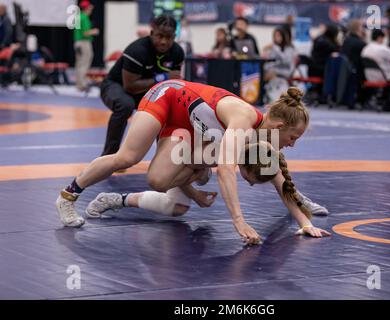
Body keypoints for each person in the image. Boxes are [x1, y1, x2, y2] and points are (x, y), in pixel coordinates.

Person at [55, 80, 329, 244]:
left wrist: (303, 221)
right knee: (128, 157)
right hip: (168, 97)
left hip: (189, 131)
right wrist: (239, 222)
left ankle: (192, 177)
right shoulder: (244, 121)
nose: (292, 145)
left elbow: (282, 181)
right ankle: (69, 195)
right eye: (293, 138)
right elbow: (225, 170)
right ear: (279, 126)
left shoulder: (264, 143)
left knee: (160, 183)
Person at [85, 140, 331, 240]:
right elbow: (180, 170)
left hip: (193, 155)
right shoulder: (218, 150)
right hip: (178, 144)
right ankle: (115, 199)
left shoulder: (260, 150)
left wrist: (304, 222)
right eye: (250, 180)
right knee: (196, 179)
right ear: (242, 166)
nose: (249, 184)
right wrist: (197, 194)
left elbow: (283, 185)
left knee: (181, 203)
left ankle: (200, 176)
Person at [100, 14, 185, 156]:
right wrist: (163, 77)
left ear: (174, 37)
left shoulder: (177, 52)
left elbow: (173, 84)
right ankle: (109, 156)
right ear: (152, 33)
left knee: (169, 109)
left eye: (168, 37)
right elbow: (130, 86)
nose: (163, 41)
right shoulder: (137, 50)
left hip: (145, 90)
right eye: (159, 36)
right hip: (117, 85)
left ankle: (163, 158)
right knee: (125, 105)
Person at [263, 27, 297, 103]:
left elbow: (286, 61)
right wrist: (265, 52)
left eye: (278, 36)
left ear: (283, 36)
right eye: (275, 36)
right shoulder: (273, 48)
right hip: (272, 74)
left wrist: (275, 48)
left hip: (285, 73)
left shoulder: (290, 48)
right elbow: (269, 63)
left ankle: (276, 100)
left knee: (275, 81)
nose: (276, 38)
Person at [73, 0, 99, 91]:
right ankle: (82, 85)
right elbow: (85, 33)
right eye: (90, 7)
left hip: (77, 42)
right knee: (84, 63)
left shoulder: (78, 17)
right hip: (84, 42)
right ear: (87, 8)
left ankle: (79, 84)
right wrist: (94, 31)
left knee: (79, 63)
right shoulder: (84, 18)